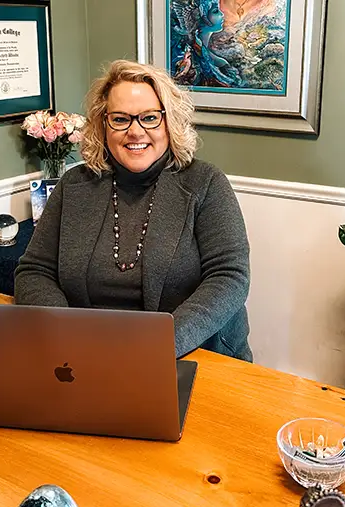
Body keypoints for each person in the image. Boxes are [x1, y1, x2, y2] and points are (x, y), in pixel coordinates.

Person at [14, 59, 252, 362]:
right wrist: (65, 333)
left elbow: (230, 277)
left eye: (150, 118)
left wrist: (158, 346)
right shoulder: (75, 185)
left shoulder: (205, 183)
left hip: (189, 355)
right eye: (121, 119)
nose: (135, 132)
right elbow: (35, 271)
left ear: (169, 122)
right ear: (103, 123)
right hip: (85, 357)